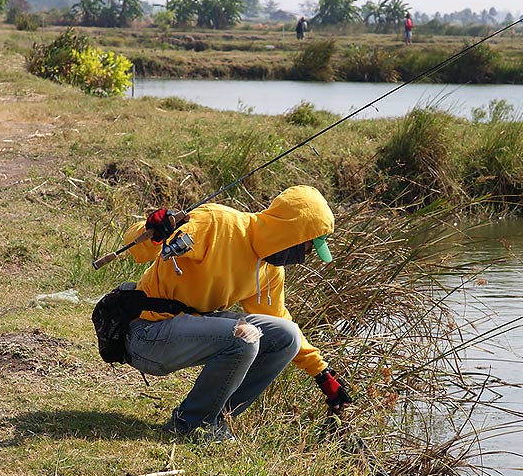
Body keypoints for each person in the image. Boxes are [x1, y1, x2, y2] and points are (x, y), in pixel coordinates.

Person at [122, 185, 352, 442]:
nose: (305, 257)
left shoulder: (269, 271)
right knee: (245, 336)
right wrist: (154, 230)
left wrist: (322, 374)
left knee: (286, 336)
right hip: (144, 334)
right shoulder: (218, 223)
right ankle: (190, 424)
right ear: (292, 233)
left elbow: (281, 322)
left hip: (182, 337)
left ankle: (214, 419)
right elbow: (136, 249)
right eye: (308, 247)